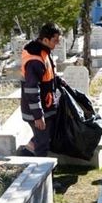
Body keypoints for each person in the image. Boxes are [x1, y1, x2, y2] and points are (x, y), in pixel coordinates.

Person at [19, 23, 63, 156]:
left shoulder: (43, 51)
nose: (57, 44)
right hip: (36, 110)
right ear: (45, 40)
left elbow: (47, 75)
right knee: (42, 143)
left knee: (44, 135)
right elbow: (32, 89)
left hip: (46, 105)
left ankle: (28, 151)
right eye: (55, 41)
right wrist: (38, 116)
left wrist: (59, 81)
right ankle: (42, 174)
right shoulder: (35, 60)